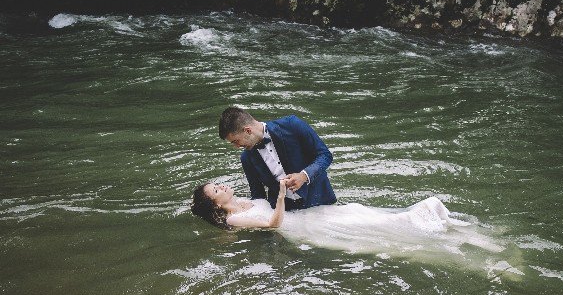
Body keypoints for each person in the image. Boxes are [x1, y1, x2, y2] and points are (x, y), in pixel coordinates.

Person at [190, 180, 503, 256]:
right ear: (215, 203)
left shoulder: (246, 199)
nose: (221, 186)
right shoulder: (233, 220)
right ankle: (446, 234)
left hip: (314, 213)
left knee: (361, 212)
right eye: (215, 189)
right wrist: (282, 197)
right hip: (302, 226)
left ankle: (452, 229)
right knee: (373, 226)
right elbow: (273, 223)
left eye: (218, 184)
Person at [218, 107, 336, 211]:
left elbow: (325, 155)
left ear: (248, 130)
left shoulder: (292, 125)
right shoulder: (246, 158)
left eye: (236, 141)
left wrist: (304, 176)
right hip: (284, 213)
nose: (237, 146)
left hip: (320, 201)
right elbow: (258, 195)